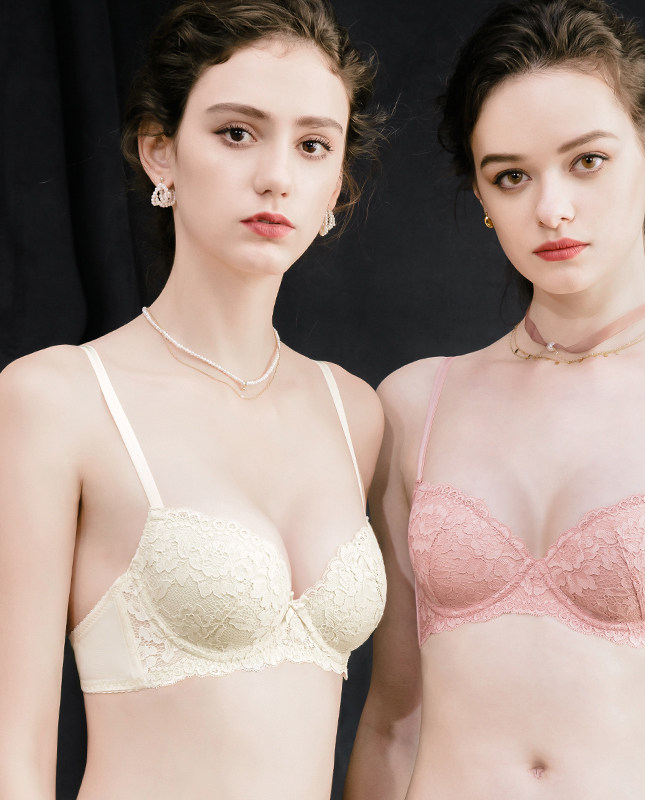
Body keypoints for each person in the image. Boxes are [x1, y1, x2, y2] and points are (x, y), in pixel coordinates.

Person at [345, 1, 645, 797]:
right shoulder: (416, 402)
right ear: (482, 195)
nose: (551, 208)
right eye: (511, 176)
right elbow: (391, 720)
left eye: (586, 161)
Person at [0, 1, 387, 797]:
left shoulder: (354, 411)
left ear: (336, 187)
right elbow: (15, 750)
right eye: (237, 133)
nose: (277, 176)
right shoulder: (58, 399)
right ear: (160, 152)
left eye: (313, 145)